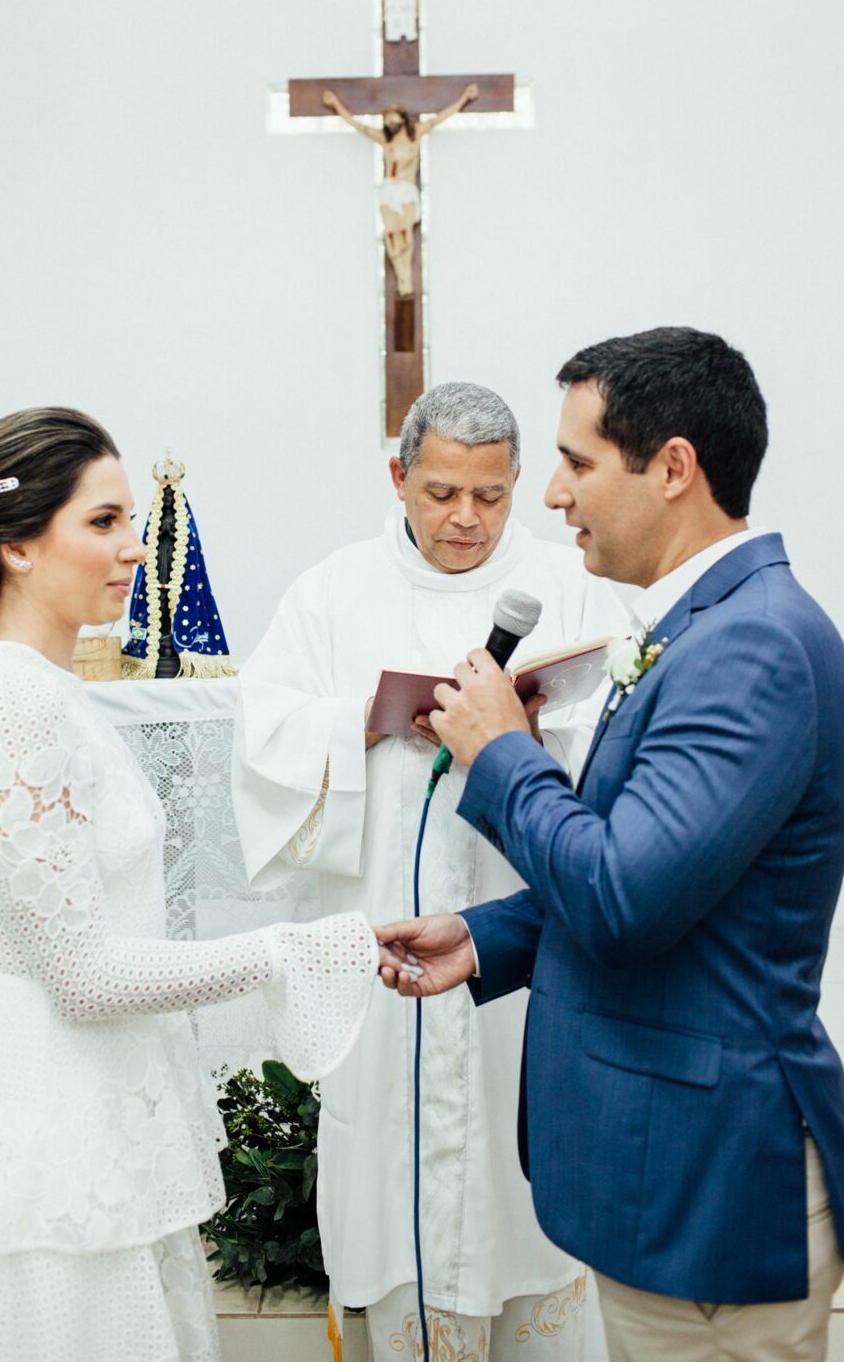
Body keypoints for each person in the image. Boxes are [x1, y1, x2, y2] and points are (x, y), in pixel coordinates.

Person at [378, 329, 844, 1362]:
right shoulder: (701, 625)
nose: (553, 496)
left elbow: (623, 896)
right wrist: (486, 939)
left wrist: (500, 755)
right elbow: (664, 869)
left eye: (574, 462)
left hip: (710, 1180)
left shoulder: (749, 645)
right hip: (668, 1169)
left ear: (672, 468)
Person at [0, 407, 378, 1362]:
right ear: (19, 546)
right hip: (49, 1127)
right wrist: (282, 951)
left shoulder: (52, 690)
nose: (136, 550)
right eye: (103, 523)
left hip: (99, 1103)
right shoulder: (13, 701)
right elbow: (84, 977)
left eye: (131, 522)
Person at [232, 382, 627, 1362]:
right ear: (398, 475)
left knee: (513, 1179)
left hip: (515, 947)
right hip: (386, 946)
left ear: (516, 486)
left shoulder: (568, 586)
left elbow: (618, 740)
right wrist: (364, 721)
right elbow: (263, 737)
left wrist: (523, 734)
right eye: (441, 490)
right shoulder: (331, 591)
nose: (464, 517)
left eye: (489, 495)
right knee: (390, 1173)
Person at [322, 84, 478, 294]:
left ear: (403, 119)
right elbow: (358, 125)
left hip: (406, 190)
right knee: (391, 234)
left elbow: (439, 118)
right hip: (389, 191)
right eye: (387, 120)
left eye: (392, 118)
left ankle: (407, 278)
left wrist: (464, 99)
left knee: (405, 234)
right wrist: (336, 105)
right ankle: (401, 276)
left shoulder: (416, 136)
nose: (389, 122)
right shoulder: (385, 140)